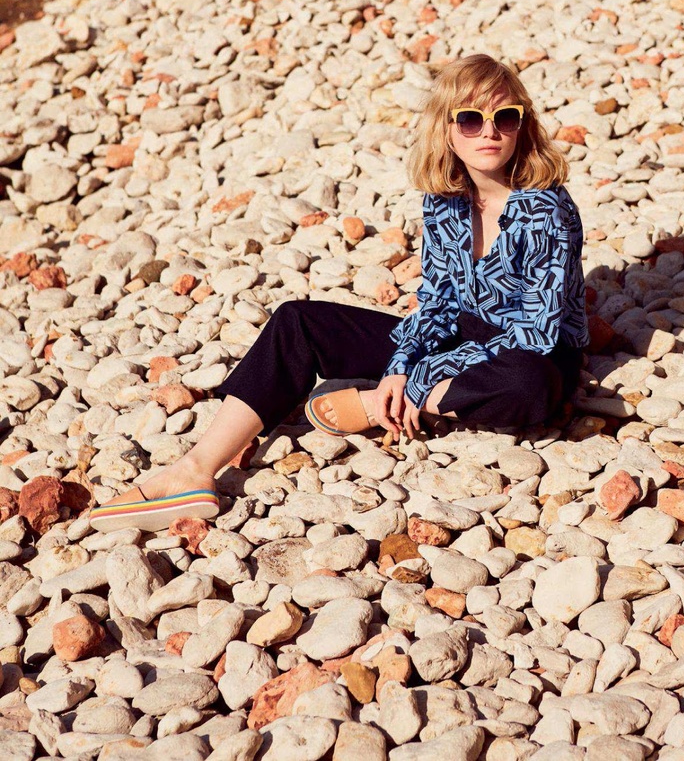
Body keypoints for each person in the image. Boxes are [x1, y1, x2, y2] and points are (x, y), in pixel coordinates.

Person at [90, 53, 589, 532]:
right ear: (446, 129)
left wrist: (412, 379)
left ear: (522, 125)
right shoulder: (445, 201)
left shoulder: (546, 209)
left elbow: (535, 334)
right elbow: (438, 303)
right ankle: (196, 469)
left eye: (505, 117)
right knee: (298, 321)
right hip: (460, 336)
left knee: (529, 385)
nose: (490, 132)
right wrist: (401, 363)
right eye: (471, 120)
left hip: (532, 353)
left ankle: (377, 406)